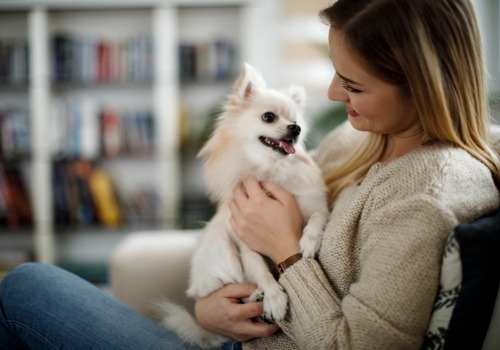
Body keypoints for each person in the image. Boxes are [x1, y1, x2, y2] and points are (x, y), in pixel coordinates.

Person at [1, 0, 499, 349]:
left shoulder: (426, 196)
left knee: (23, 286)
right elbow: (244, 220)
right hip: (234, 334)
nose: (329, 94)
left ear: (424, 84)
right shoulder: (358, 142)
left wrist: (285, 252)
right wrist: (209, 311)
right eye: (334, 71)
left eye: (352, 83)